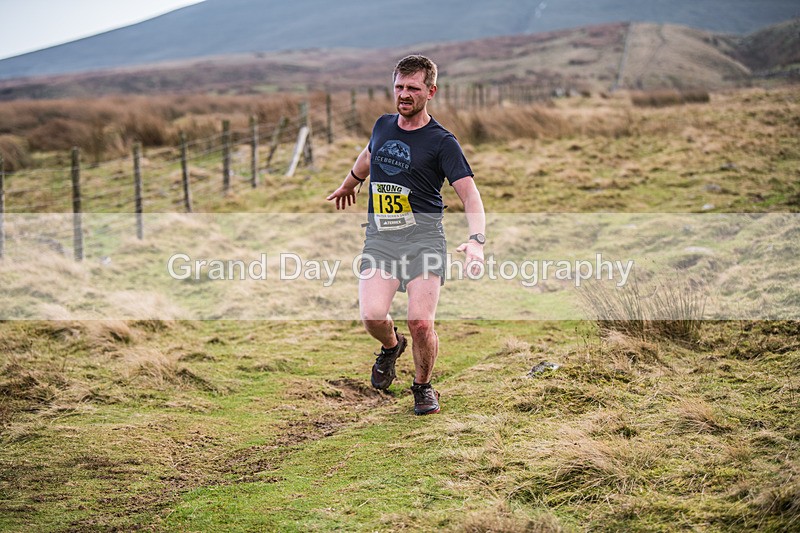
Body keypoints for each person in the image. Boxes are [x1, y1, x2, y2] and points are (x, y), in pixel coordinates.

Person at [327, 55, 485, 415]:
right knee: (371, 315)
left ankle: (423, 386)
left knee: (420, 322)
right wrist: (349, 183)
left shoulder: (443, 142)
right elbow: (370, 153)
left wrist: (476, 241)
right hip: (381, 241)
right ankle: (390, 347)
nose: (404, 94)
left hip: (424, 242)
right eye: (399, 86)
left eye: (413, 88)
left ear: (431, 91)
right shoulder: (383, 125)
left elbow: (470, 195)